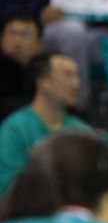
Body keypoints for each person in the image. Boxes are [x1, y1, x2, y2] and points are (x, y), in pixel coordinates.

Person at [0, 51, 89, 196]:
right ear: (43, 82)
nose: (76, 83)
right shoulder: (14, 130)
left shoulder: (81, 131)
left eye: (77, 76)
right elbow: (6, 187)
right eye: (68, 75)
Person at [0, 12, 43, 122]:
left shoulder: (45, 74)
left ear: (39, 43)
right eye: (12, 33)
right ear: (1, 39)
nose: (17, 41)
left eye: (26, 35)